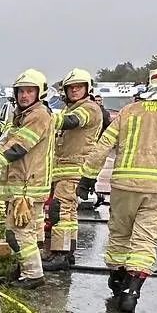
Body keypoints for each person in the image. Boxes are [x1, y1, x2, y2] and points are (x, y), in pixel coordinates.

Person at [78, 63, 157, 313]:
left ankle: (116, 278)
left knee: (120, 234)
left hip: (125, 184)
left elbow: (103, 146)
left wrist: (87, 178)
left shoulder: (130, 111)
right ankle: (132, 292)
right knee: (146, 239)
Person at [0, 69, 56, 289]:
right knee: (27, 232)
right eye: (21, 91)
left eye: (30, 91)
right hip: (24, 186)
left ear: (40, 94)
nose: (24, 96)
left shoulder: (38, 115)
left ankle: (33, 275)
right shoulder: (22, 116)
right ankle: (24, 270)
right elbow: (5, 142)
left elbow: (18, 147)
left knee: (18, 233)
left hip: (27, 188)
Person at [44, 68, 104, 271]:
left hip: (74, 169)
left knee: (60, 211)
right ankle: (66, 253)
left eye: (79, 87)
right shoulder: (71, 108)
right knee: (67, 213)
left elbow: (74, 121)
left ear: (87, 89)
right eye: (71, 88)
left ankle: (60, 254)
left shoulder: (89, 108)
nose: (74, 91)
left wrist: (48, 119)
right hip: (63, 170)